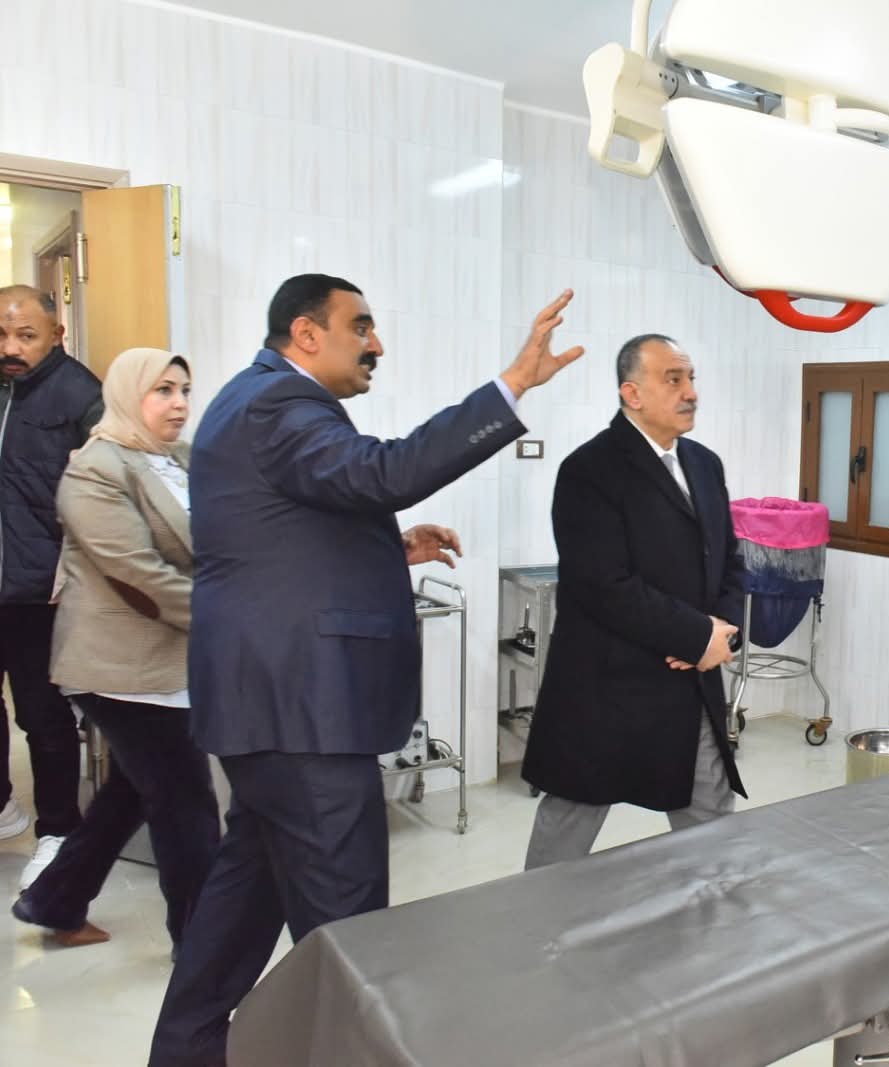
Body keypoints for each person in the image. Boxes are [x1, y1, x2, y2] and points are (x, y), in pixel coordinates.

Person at [148, 275, 582, 1066]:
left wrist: (390, 546)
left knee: (240, 909)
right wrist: (513, 383)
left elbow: (288, 530)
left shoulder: (253, 400)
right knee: (351, 931)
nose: (376, 343)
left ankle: (186, 1050)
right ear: (306, 333)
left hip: (271, 712)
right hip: (303, 714)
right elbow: (384, 472)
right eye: (362, 327)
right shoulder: (281, 404)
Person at [11, 349, 219, 952]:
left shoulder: (179, 460)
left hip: (169, 658)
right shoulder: (95, 469)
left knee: (133, 790)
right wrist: (230, 616)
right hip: (118, 666)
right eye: (163, 391)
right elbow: (137, 573)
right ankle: (202, 949)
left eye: (185, 390)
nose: (179, 404)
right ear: (128, 395)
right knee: (186, 804)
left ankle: (54, 900)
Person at [521, 333, 745, 870]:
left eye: (691, 378)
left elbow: (729, 560)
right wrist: (695, 635)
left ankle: (713, 912)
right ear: (633, 393)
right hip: (607, 686)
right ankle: (533, 916)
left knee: (710, 815)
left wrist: (721, 631)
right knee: (571, 819)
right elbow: (603, 584)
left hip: (687, 682)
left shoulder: (704, 465)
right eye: (674, 379)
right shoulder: (590, 470)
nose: (691, 392)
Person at [0, 285, 103, 884]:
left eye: (26, 335)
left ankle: (59, 831)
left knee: (43, 717)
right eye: (1, 334)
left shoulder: (81, 395)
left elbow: (108, 491)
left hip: (42, 591)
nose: (10, 348)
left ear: (57, 334)